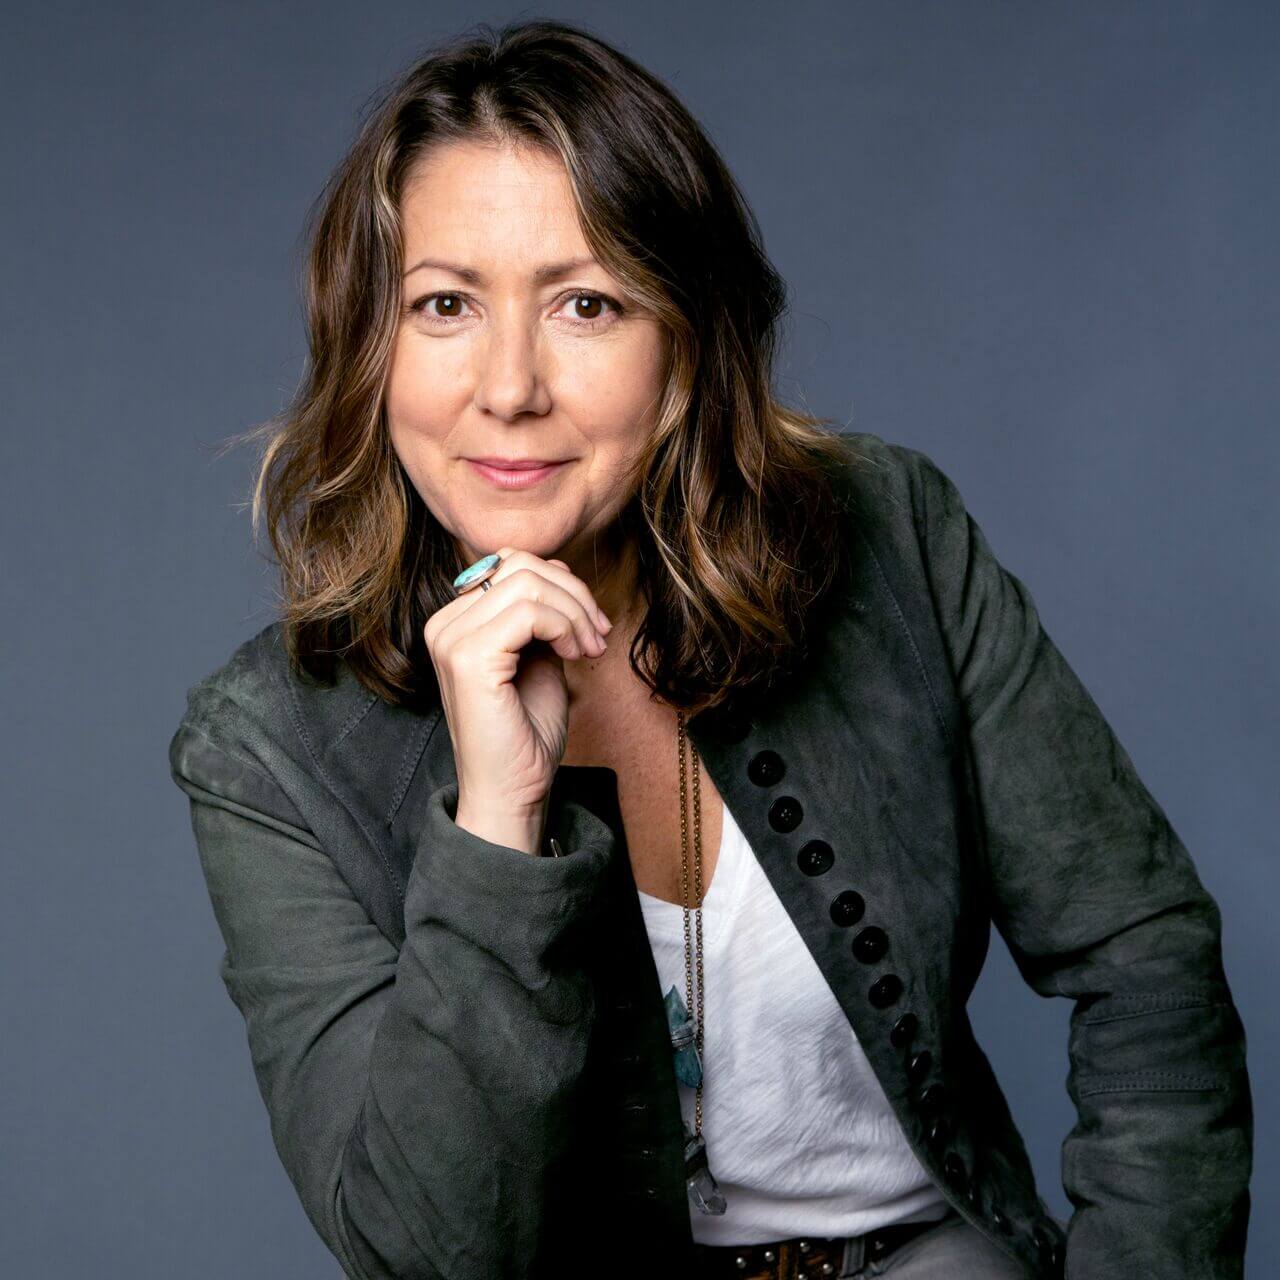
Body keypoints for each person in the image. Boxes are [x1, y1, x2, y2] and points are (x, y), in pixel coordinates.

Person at [167, 18, 1252, 1280]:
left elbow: (1143, 951)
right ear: (369, 347)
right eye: (443, 304)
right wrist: (497, 827)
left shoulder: (888, 536)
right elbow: (425, 1252)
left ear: (684, 339)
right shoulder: (266, 744)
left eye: (585, 303)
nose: (508, 387)